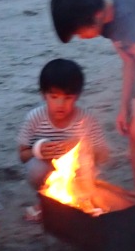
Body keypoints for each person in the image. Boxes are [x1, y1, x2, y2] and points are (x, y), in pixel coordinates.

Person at [50, 0, 135, 214]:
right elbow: (129, 62)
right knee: (133, 131)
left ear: (97, 15)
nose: (81, 37)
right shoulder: (108, 21)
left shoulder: (127, 18)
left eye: (80, 32)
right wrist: (124, 108)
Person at [16, 58, 111, 221]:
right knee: (36, 169)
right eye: (54, 97)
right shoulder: (35, 118)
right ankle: (46, 202)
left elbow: (103, 155)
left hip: (80, 176)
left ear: (77, 97)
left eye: (67, 98)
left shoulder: (86, 119)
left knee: (86, 167)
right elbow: (22, 155)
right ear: (43, 95)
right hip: (46, 171)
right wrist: (37, 150)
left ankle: (79, 203)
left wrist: (81, 145)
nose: (60, 104)